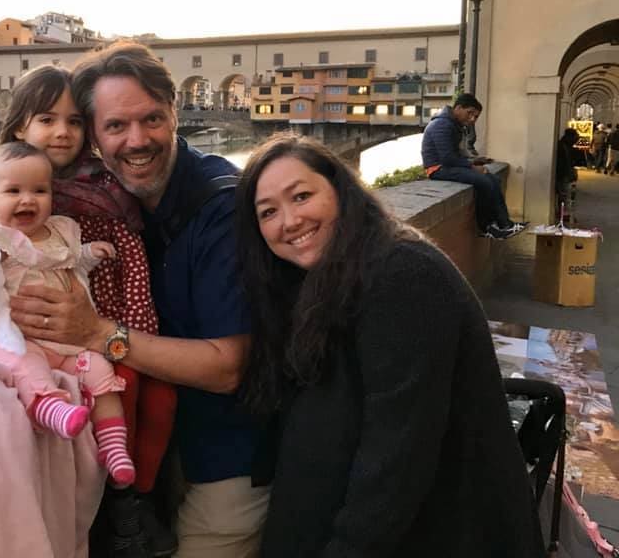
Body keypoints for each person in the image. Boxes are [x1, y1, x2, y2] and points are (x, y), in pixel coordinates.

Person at [0, 42, 267, 558]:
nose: (136, 139)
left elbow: (231, 368)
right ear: (98, 138)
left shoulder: (219, 209)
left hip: (227, 455)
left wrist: (97, 332)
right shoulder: (99, 199)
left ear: (175, 114)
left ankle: (129, 501)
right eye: (115, 126)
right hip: (177, 442)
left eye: (151, 119)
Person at [235, 134, 546, 558]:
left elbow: (397, 459)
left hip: (441, 531)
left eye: (302, 196)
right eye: (268, 212)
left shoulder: (402, 274)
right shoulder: (323, 276)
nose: (288, 221)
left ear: (342, 191)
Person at [0, 64, 178, 557]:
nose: (62, 132)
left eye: (73, 120)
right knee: (118, 393)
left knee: (161, 396)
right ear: (21, 125)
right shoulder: (14, 190)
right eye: (47, 119)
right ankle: (121, 506)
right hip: (67, 320)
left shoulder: (106, 175)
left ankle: (143, 493)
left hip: (118, 300)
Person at [0, 141, 137, 485]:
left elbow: (70, 261)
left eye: (39, 190)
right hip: (22, 338)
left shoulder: (63, 230)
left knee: (100, 371)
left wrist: (90, 253)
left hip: (68, 343)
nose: (28, 199)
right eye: (13, 191)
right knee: (24, 363)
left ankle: (114, 445)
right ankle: (49, 407)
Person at [421, 93, 524, 239]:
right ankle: (486, 227)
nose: (471, 119)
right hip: (437, 169)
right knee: (484, 181)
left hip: (447, 166)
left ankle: (504, 224)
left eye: (475, 117)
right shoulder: (442, 124)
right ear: (458, 108)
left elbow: (454, 155)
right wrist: (472, 166)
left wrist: (475, 161)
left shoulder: (453, 124)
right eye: (470, 113)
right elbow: (447, 158)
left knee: (493, 180)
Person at [556, 127, 579, 222]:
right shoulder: (562, 146)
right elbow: (563, 162)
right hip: (562, 174)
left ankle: (563, 213)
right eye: (574, 138)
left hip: (564, 174)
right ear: (569, 137)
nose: (575, 141)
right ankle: (562, 213)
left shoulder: (565, 146)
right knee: (563, 194)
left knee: (564, 194)